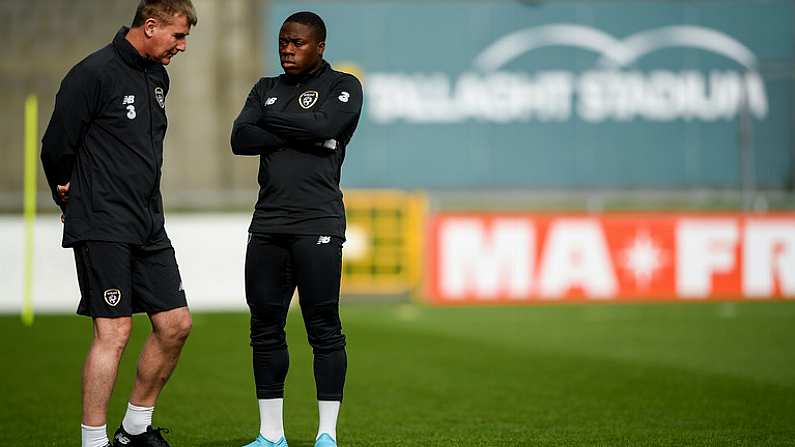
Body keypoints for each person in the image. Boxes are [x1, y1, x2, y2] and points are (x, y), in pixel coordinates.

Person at [40, 1, 197, 446]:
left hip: (148, 222)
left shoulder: (157, 77)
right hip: (103, 222)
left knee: (175, 325)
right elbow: (56, 146)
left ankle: (134, 430)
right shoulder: (92, 74)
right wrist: (64, 189)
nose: (182, 47)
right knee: (115, 331)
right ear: (150, 26)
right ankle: (93, 443)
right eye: (178, 36)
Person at [230, 11, 363, 447]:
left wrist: (272, 124)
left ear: (319, 46)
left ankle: (327, 434)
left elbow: (326, 125)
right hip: (268, 223)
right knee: (264, 326)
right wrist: (304, 133)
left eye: (298, 43)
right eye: (283, 41)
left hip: (318, 221)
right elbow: (239, 139)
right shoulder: (265, 88)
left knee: (322, 325)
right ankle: (271, 435)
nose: (287, 49)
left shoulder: (344, 87)